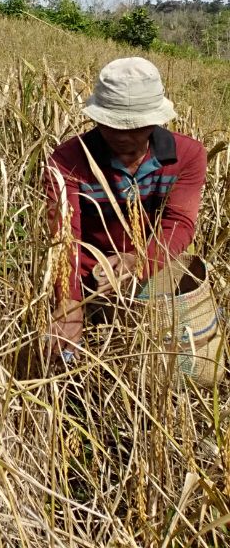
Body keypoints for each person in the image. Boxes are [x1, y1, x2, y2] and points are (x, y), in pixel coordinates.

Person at [43, 57, 207, 363]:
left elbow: (180, 223)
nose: (123, 136)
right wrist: (69, 301)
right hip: (84, 279)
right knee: (65, 361)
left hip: (152, 274)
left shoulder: (187, 156)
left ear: (157, 120)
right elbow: (65, 234)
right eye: (113, 126)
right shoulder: (68, 159)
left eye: (136, 128)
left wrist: (139, 261)